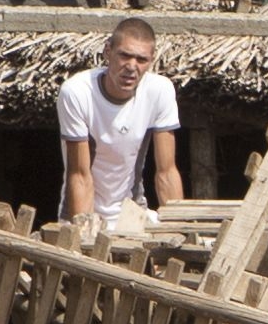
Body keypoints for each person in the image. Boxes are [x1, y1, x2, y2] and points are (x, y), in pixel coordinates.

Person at [57, 17, 184, 236]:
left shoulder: (160, 90)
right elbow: (80, 176)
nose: (131, 67)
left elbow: (166, 172)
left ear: (151, 60)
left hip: (132, 212)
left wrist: (180, 230)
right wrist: (85, 238)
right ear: (108, 51)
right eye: (124, 55)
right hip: (84, 214)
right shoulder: (77, 92)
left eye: (141, 59)